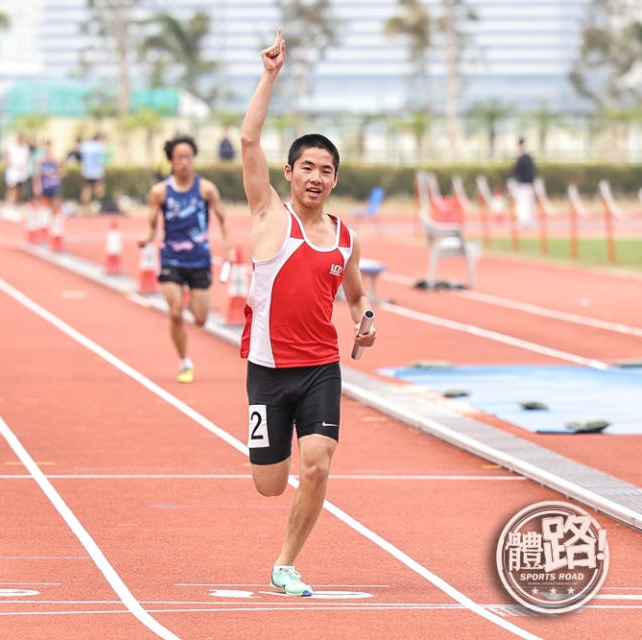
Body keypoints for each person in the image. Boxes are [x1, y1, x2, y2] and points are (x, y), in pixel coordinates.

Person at [239, 29, 376, 597]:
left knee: (317, 464)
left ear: (335, 179)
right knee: (269, 485)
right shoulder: (271, 214)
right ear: (290, 173)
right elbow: (249, 140)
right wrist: (269, 75)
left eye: (326, 170)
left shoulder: (345, 237)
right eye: (307, 167)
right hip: (268, 371)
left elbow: (357, 296)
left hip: (321, 367)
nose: (316, 177)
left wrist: (366, 321)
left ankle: (286, 563)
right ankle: (273, 475)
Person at [137, 135, 231, 383]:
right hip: (171, 259)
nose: (185, 162)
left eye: (189, 157)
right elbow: (151, 225)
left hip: (199, 260)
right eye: (179, 157)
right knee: (176, 312)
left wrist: (229, 247)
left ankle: (191, 299)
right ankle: (184, 362)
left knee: (200, 319)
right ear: (171, 161)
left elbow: (223, 218)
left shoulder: (206, 189)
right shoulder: (160, 192)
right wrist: (146, 238)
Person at [510, 137, 537, 229]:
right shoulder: (527, 158)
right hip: (527, 184)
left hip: (523, 185)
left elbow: (516, 171)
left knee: (523, 204)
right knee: (527, 204)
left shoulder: (523, 159)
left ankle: (525, 222)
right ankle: (526, 221)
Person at [79, 132, 106, 214]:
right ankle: (99, 205)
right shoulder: (99, 146)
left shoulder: (85, 145)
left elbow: (80, 156)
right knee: (100, 190)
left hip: (87, 171)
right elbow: (103, 159)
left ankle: (85, 208)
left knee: (87, 189)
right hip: (97, 171)